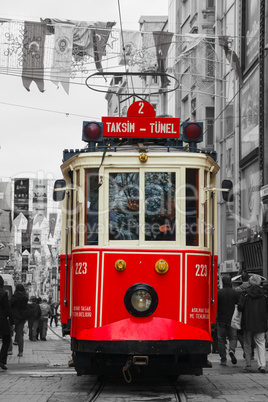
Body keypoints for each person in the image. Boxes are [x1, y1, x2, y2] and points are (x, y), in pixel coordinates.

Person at [238, 274, 268, 373]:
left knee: (247, 343)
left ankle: (248, 364)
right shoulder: (265, 294)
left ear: (250, 282)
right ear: (259, 282)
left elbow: (240, 307)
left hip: (247, 322)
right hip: (261, 322)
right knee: (261, 343)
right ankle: (262, 365)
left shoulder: (245, 293)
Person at [217, 275, 240, 366]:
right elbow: (238, 305)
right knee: (233, 337)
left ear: (223, 282)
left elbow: (216, 306)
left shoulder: (219, 293)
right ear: (230, 282)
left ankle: (223, 359)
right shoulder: (235, 293)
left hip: (221, 319)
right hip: (232, 319)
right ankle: (232, 350)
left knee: (221, 339)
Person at [10, 283, 28, 357]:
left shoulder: (14, 297)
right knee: (20, 334)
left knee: (9, 333)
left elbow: (9, 305)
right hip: (22, 318)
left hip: (14, 317)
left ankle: (9, 350)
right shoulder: (25, 297)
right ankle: (20, 351)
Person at [0, 275, 14, 370]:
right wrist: (12, 321)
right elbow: (7, 308)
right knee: (6, 339)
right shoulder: (3, 293)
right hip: (1, 320)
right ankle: (1, 359)